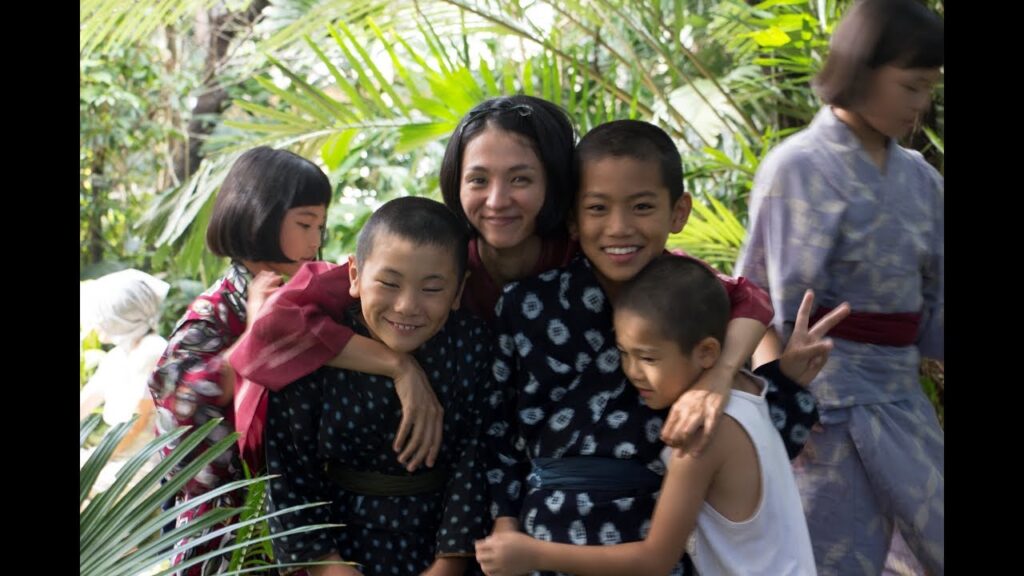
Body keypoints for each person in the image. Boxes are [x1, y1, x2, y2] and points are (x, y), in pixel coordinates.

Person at [230, 95, 776, 472]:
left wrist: (720, 378)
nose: (496, 200)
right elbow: (273, 329)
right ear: (455, 183)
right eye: (478, 179)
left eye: (521, 179)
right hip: (434, 490)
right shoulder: (430, 265)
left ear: (554, 185)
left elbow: (743, 296)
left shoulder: (591, 255)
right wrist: (397, 364)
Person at [482, 120, 823, 575]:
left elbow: (746, 440)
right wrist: (505, 525)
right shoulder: (526, 305)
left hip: (651, 544)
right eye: (598, 208)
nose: (619, 228)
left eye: (642, 206)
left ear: (678, 211)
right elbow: (496, 431)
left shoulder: (698, 305)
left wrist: (787, 383)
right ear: (573, 219)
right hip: (540, 540)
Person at [735, 1, 944, 572]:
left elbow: (937, 303)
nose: (920, 104)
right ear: (863, 69)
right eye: (910, 86)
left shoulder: (923, 181)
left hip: (902, 401)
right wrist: (787, 404)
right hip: (822, 413)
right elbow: (756, 303)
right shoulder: (795, 166)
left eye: (928, 88)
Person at [476, 256, 847, 576]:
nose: (633, 371)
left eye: (649, 358)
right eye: (623, 353)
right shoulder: (748, 393)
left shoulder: (700, 432)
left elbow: (654, 560)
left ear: (706, 352)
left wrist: (532, 553)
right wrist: (786, 376)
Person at [265, 197, 493, 576]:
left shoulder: (472, 345)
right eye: (389, 283)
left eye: (432, 289)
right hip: (335, 545)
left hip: (442, 545)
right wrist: (328, 567)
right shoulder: (314, 349)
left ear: (458, 292)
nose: (406, 306)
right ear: (354, 275)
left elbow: (476, 460)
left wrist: (448, 565)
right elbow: (287, 474)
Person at [148, 145, 331, 575]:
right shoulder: (213, 312)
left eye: (320, 225)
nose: (316, 241)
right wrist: (256, 336)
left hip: (303, 530)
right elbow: (180, 402)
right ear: (259, 216)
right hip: (226, 539)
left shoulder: (306, 299)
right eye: (305, 224)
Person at [80, 268, 170, 455]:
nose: (96, 323)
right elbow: (85, 402)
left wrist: (97, 460)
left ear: (122, 316)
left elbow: (137, 422)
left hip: (141, 464)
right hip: (118, 455)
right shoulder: (118, 355)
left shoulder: (152, 350)